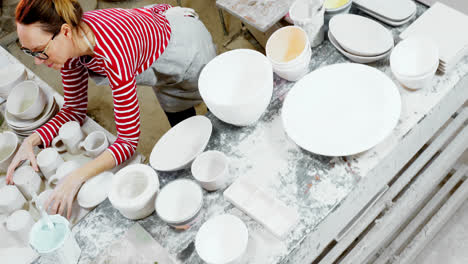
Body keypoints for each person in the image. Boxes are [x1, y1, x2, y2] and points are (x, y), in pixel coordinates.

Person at [6, 0, 216, 219]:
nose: (38, 62)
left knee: (216, 109)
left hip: (185, 49)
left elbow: (128, 141)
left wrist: (77, 176)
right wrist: (32, 140)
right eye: (30, 53)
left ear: (65, 32)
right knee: (184, 127)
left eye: (40, 51)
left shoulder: (113, 51)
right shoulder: (70, 44)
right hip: (156, 55)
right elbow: (73, 110)